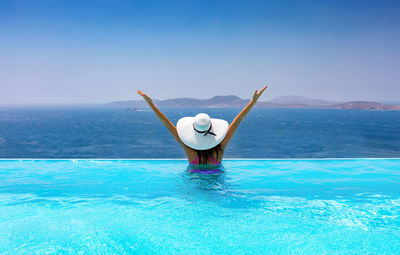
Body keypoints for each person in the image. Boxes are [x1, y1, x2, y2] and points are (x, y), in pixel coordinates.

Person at [137, 86, 268, 165]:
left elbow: (166, 123)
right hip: (217, 184)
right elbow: (238, 120)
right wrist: (253, 101)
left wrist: (151, 104)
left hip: (194, 183)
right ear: (212, 128)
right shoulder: (220, 149)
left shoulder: (189, 150)